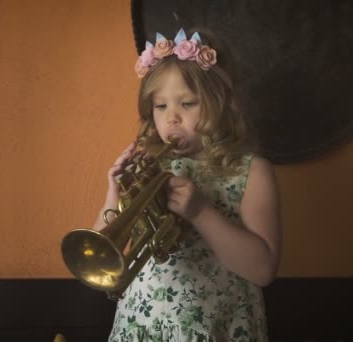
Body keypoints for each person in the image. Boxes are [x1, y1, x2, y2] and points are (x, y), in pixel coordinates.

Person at [93, 28, 282, 342]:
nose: (172, 119)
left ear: (220, 104)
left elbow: (262, 270)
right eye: (161, 106)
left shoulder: (251, 171)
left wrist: (201, 212)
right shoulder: (148, 167)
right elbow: (100, 255)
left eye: (187, 103)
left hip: (217, 325)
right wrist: (113, 193)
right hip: (143, 324)